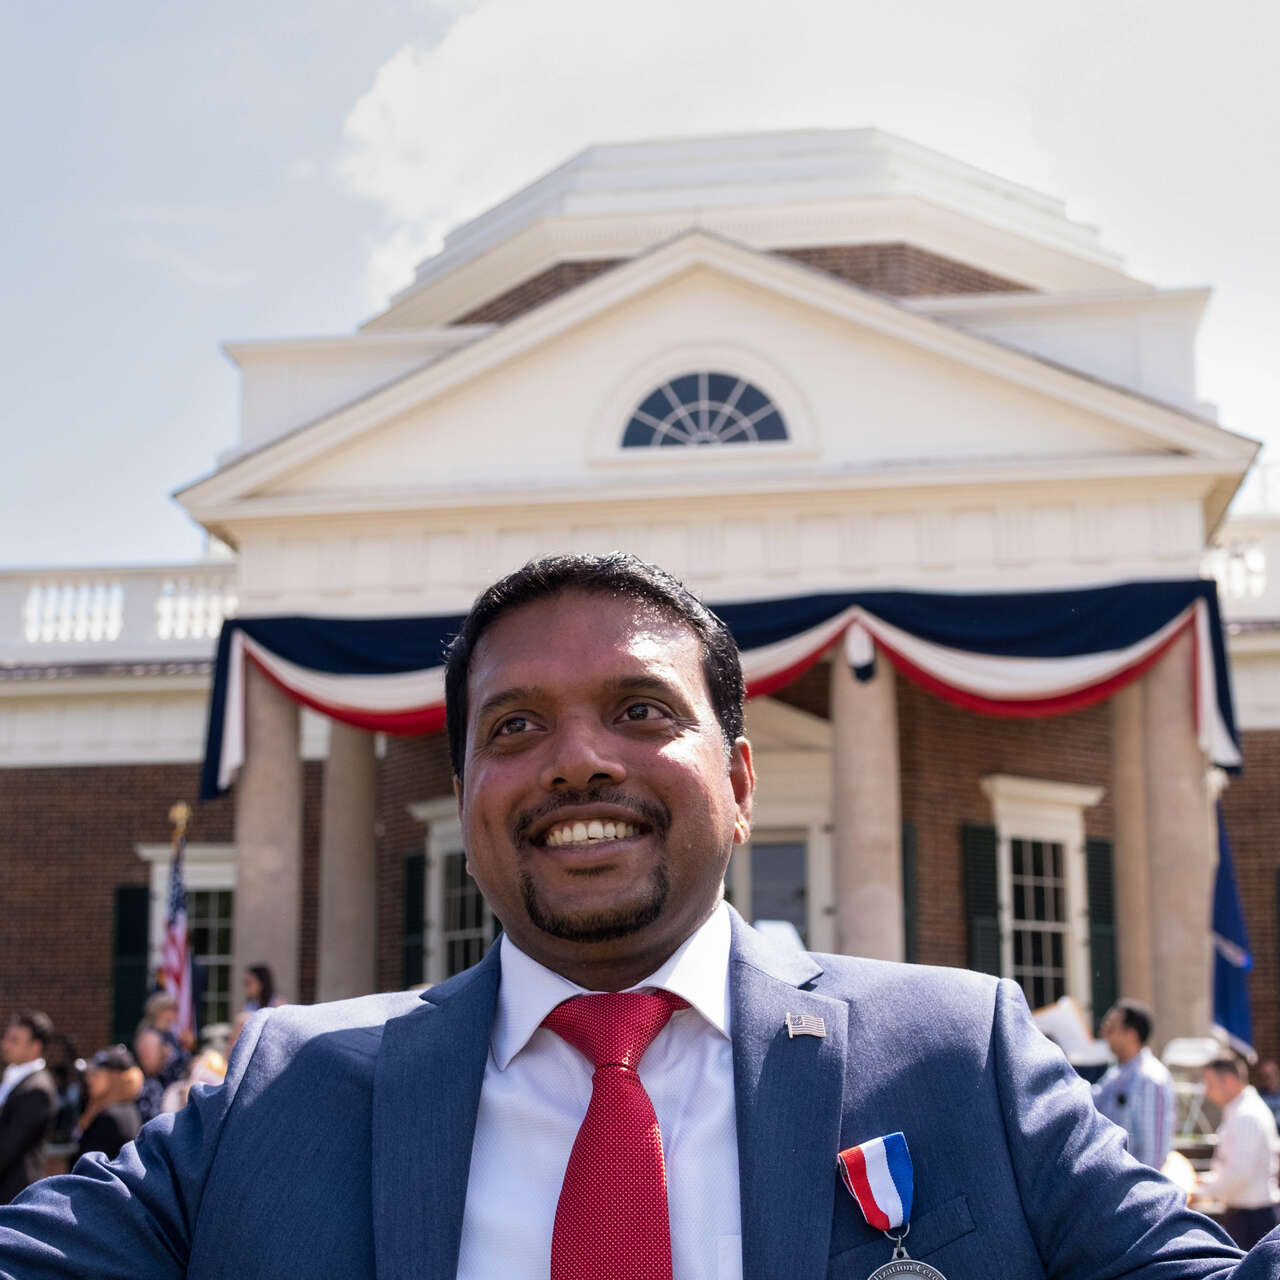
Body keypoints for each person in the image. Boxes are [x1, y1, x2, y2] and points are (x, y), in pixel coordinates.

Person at [0, 551, 1278, 1277]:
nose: (575, 762)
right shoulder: (281, 1093)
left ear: (736, 780)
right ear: (465, 798)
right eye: (514, 726)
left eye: (641, 710)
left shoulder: (959, 1054)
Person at [1194, 1056, 1280, 1248]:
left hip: (1253, 1218)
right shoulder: (1240, 1110)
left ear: (1230, 1081)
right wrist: (1208, 1182)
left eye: (1210, 1084)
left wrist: (1199, 1192)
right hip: (1246, 1214)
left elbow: (1239, 1175)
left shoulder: (1247, 1114)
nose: (1207, 1093)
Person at [1091, 998, 1177, 1170]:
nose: (1103, 1033)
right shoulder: (1114, 1075)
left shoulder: (1151, 1078)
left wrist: (1145, 1193)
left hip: (1135, 1191)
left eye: (1110, 1028)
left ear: (1131, 1034)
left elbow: (1154, 1155)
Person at [0, 1013, 56, 1206]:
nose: (5, 1044)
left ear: (35, 1047)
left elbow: (9, 1147)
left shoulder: (37, 1089)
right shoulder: (14, 1076)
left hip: (14, 1193)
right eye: (6, 1037)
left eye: (14, 1040)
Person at [73, 1047, 142, 1164]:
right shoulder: (123, 1108)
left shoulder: (110, 1117)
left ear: (114, 1079)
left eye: (96, 1074)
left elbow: (91, 1166)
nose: (89, 1079)